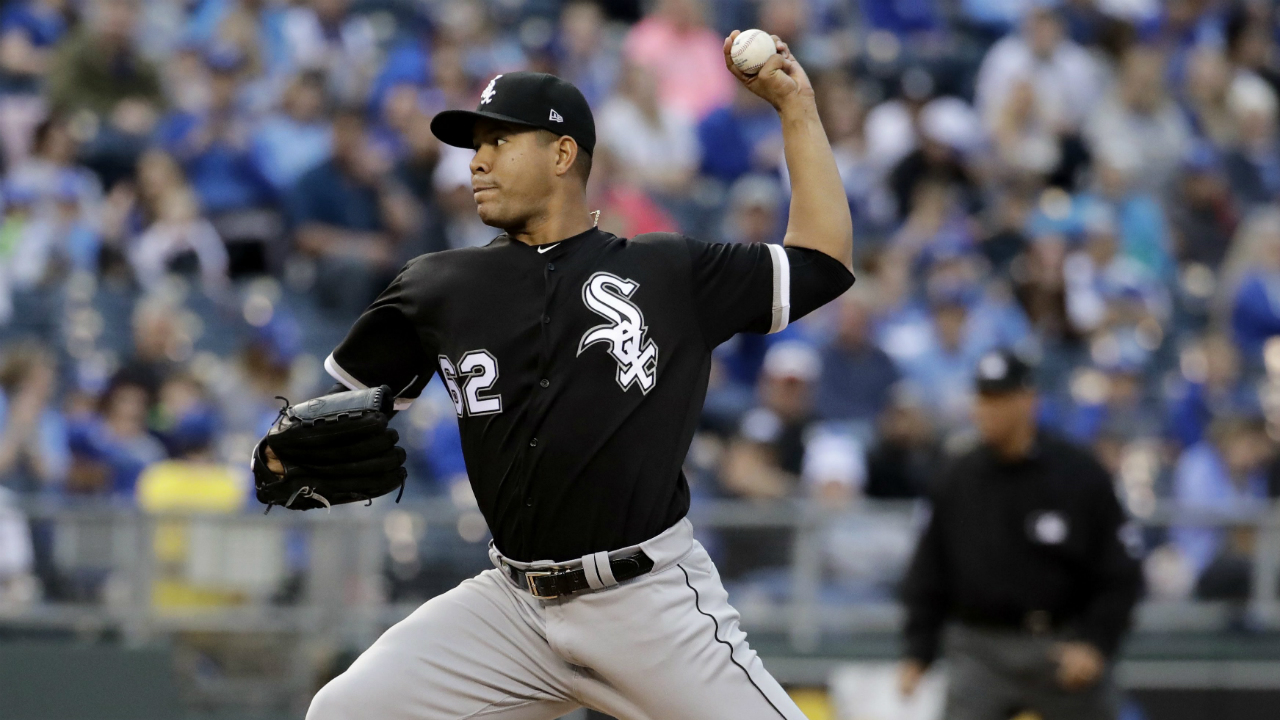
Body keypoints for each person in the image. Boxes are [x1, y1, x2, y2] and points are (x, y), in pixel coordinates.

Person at [263, 32, 854, 719]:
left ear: (562, 153)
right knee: (343, 712)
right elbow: (340, 411)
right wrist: (273, 452)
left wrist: (797, 109)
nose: (476, 162)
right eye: (473, 146)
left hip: (646, 602)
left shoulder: (669, 271)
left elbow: (823, 261)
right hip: (509, 609)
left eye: (498, 142)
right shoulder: (437, 287)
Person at [898, 349, 1143, 720]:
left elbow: (1120, 570)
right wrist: (919, 652)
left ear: (1028, 401)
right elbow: (930, 569)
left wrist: (1096, 643)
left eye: (999, 398)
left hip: (1060, 645)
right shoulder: (958, 476)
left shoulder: (1077, 473)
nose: (987, 410)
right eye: (982, 398)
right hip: (978, 649)